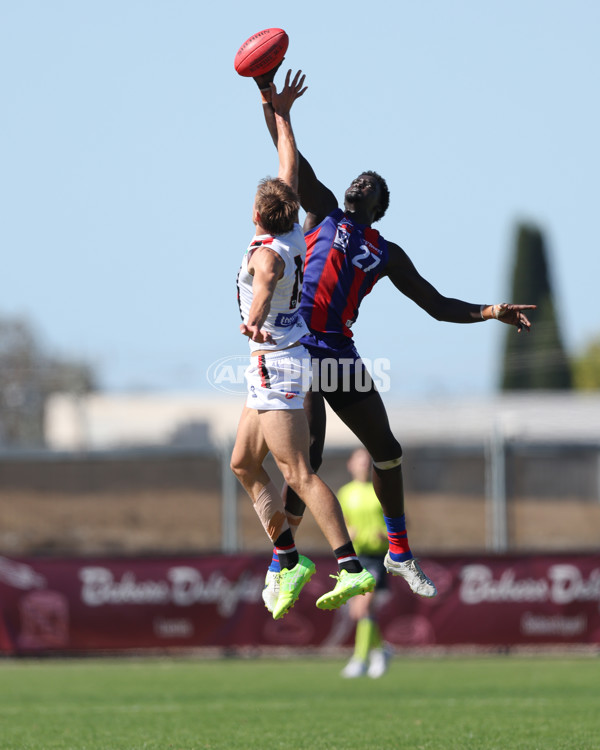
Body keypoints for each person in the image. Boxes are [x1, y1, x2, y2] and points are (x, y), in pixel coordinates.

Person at [251, 66, 536, 607]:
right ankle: (281, 564)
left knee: (386, 450)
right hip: (297, 348)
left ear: (378, 207)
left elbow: (436, 305)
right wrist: (268, 95)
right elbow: (290, 156)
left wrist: (491, 310)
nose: (364, 181)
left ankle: (399, 553)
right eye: (362, 178)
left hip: (338, 351)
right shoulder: (323, 209)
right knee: (302, 459)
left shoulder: (386, 252)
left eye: (373, 186)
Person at [230, 69, 376, 621]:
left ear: (255, 214)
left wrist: (253, 317)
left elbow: (264, 283)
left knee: (299, 474)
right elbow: (288, 161)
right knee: (243, 462)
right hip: (269, 365)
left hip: (277, 365)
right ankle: (286, 557)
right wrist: (277, 107)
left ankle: (350, 565)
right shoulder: (289, 229)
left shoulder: (268, 251)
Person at [338, 447, 392, 679]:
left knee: (364, 606)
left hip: (377, 556)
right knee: (358, 613)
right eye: (359, 461)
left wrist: (384, 532)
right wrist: (345, 532)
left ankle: (360, 659)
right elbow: (337, 523)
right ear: (350, 464)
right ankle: (381, 651)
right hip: (353, 557)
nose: (363, 465)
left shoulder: (380, 489)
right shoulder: (344, 493)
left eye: (366, 461)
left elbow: (401, 520)